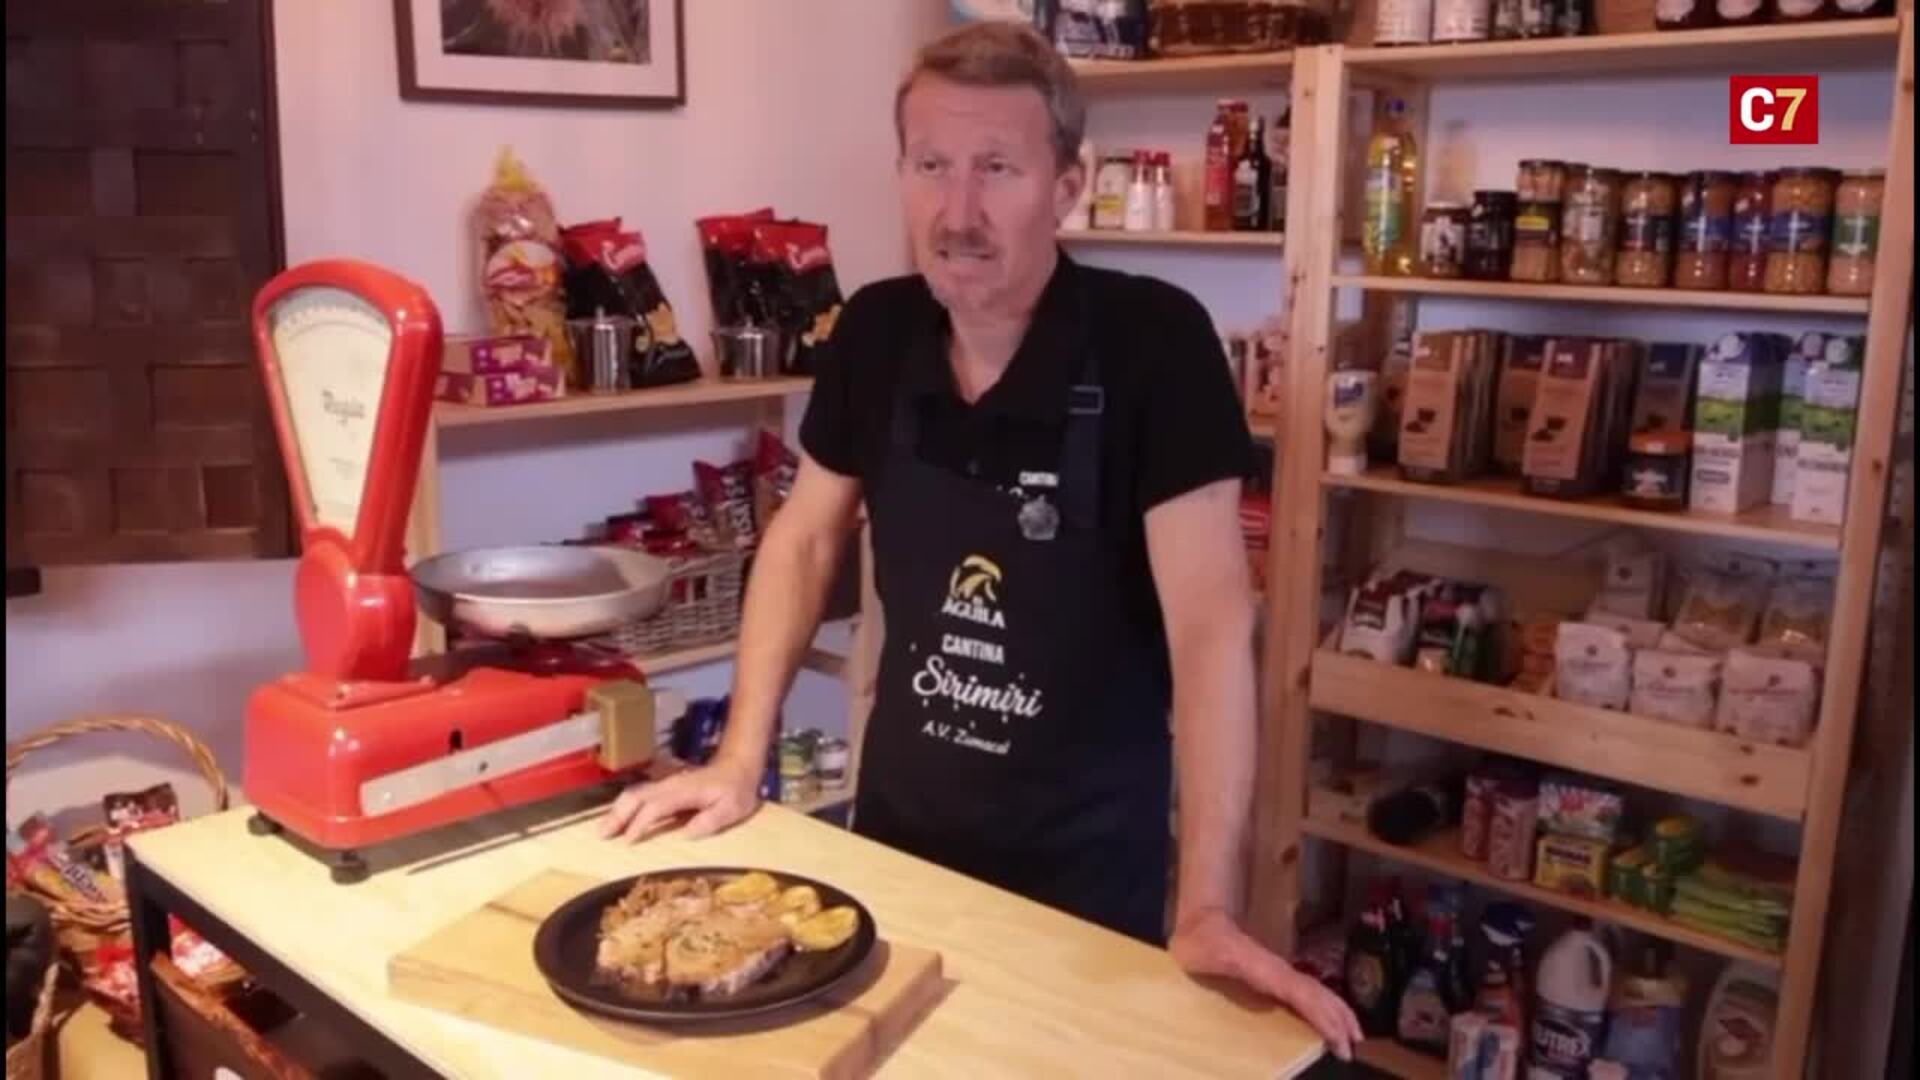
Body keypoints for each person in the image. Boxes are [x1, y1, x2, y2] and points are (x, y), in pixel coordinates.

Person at [600, 20, 1361, 1059]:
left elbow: (1213, 629)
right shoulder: (875, 331)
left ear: (1067, 185)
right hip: (899, 859)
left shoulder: (1155, 344)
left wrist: (1210, 905)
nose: (958, 212)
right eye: (932, 166)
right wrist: (739, 760)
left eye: (998, 168)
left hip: (1086, 892)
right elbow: (804, 542)